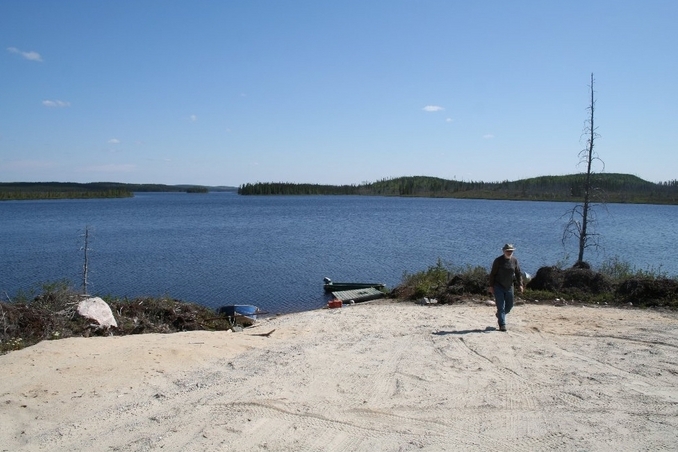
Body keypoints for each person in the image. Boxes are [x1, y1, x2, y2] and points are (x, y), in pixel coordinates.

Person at [488, 243, 523, 332]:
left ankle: (500, 315)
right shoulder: (498, 261)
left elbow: (518, 273)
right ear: (503, 251)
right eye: (507, 251)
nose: (509, 252)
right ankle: (502, 325)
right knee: (501, 306)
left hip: (509, 286)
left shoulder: (514, 261)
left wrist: (520, 284)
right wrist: (491, 286)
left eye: (510, 251)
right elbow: (492, 274)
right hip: (498, 286)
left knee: (510, 305)